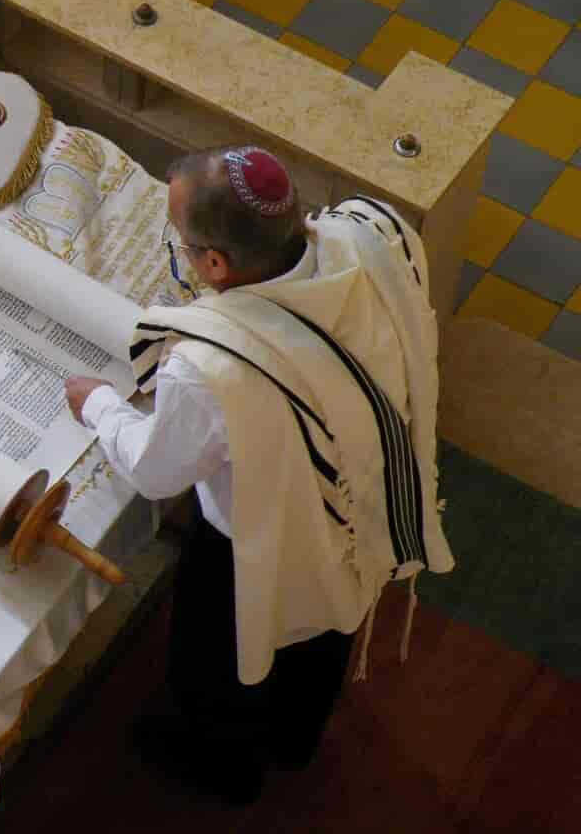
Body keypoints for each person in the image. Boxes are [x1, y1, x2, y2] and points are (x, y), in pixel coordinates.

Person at [65, 147, 454, 806]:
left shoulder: (213, 364)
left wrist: (97, 404)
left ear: (216, 264)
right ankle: (294, 740)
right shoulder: (373, 230)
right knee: (325, 633)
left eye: (183, 244)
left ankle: (222, 768)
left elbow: (158, 471)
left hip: (249, 547)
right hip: (361, 503)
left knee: (217, 671)